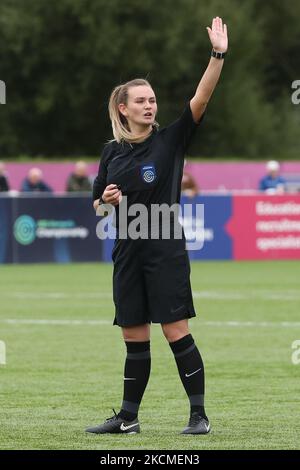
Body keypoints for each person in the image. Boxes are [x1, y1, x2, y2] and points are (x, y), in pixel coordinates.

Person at [87, 17, 228, 435]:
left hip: (165, 249)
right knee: (133, 335)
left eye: (152, 99)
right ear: (123, 108)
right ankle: (128, 418)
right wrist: (106, 202)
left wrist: (217, 55)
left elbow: (201, 97)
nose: (150, 105)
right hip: (127, 250)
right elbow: (96, 203)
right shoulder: (111, 152)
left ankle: (199, 416)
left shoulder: (170, 140)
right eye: (141, 100)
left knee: (175, 330)